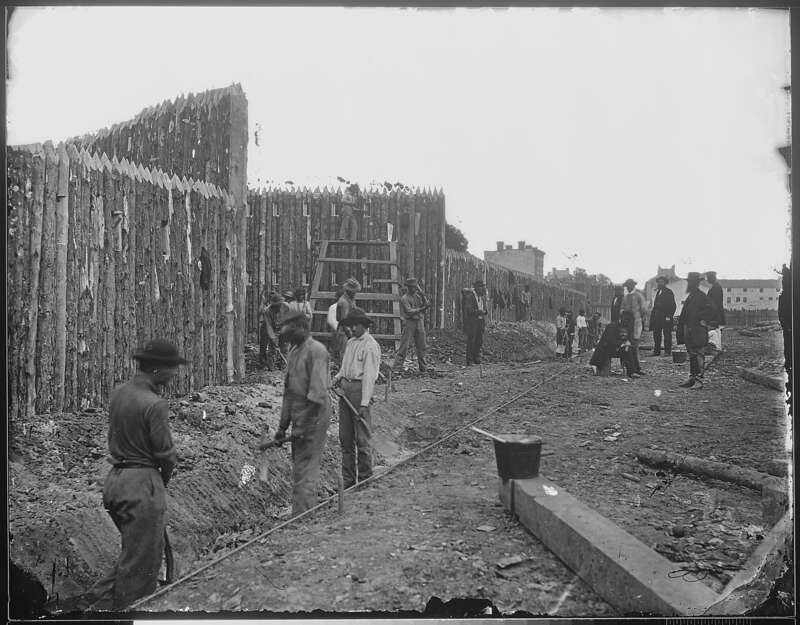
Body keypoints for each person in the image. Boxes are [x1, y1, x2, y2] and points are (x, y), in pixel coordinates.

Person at [82, 339, 186, 611]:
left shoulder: (119, 393)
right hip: (142, 486)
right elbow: (167, 456)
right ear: (158, 369)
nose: (175, 374)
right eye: (172, 368)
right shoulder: (155, 404)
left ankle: (92, 604)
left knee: (133, 556)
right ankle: (122, 614)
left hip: (115, 482)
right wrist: (160, 483)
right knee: (141, 570)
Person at [270, 310, 331, 515]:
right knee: (298, 465)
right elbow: (288, 393)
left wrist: (304, 425)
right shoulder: (294, 351)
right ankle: (300, 512)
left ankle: (304, 517)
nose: (288, 340)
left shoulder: (317, 351)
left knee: (307, 467)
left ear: (303, 328)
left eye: (291, 334)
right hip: (299, 412)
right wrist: (282, 427)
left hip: (314, 414)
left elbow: (317, 395)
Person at [332, 308, 381, 489]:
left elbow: (369, 376)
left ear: (364, 325)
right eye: (350, 325)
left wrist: (364, 402)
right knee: (346, 438)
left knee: (362, 439)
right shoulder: (351, 342)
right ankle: (348, 481)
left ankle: (366, 479)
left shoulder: (370, 345)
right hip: (345, 391)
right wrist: (337, 378)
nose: (352, 329)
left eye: (355, 325)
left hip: (360, 392)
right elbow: (346, 368)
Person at [676, 272, 717, 390]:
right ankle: (692, 379)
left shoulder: (701, 296)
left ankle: (699, 381)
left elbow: (713, 309)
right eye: (689, 282)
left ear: (697, 283)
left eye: (692, 282)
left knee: (699, 354)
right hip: (689, 330)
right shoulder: (691, 296)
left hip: (698, 330)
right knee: (692, 354)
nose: (690, 284)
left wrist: (702, 318)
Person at [393, 277, 429, 372]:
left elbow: (426, 304)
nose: (414, 289)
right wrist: (421, 309)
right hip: (409, 322)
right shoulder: (404, 298)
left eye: (415, 287)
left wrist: (422, 294)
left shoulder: (418, 296)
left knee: (422, 345)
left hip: (419, 322)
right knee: (404, 346)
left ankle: (423, 368)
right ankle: (397, 368)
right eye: (412, 287)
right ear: (408, 287)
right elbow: (409, 311)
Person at [621, 278, 646, 376]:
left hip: (636, 323)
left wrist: (641, 319)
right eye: (627, 286)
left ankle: (637, 368)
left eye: (630, 285)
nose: (629, 287)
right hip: (627, 324)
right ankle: (631, 368)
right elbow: (622, 309)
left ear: (634, 286)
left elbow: (644, 310)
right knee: (628, 345)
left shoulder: (639, 296)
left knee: (635, 345)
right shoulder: (626, 297)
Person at [334, 278, 360, 365]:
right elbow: (343, 320)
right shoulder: (344, 302)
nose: (355, 294)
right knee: (345, 355)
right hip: (344, 331)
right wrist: (350, 335)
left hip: (351, 328)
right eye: (354, 292)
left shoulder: (351, 300)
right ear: (349, 291)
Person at [462, 279, 488, 366]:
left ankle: (476, 358)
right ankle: (469, 360)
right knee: (471, 340)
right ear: (476, 288)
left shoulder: (482, 298)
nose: (482, 289)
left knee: (479, 340)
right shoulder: (470, 297)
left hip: (480, 321)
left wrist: (485, 311)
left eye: (483, 287)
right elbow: (469, 310)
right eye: (480, 287)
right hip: (473, 322)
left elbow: (484, 308)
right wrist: (479, 312)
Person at [650, 275, 676, 356]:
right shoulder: (658, 292)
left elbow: (673, 306)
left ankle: (667, 351)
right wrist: (653, 316)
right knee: (656, 334)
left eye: (662, 282)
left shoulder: (669, 292)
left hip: (665, 317)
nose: (660, 283)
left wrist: (668, 316)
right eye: (659, 282)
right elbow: (655, 306)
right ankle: (657, 351)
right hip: (657, 317)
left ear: (665, 283)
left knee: (667, 334)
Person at [263, 294, 289, 370]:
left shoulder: (287, 307)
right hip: (274, 329)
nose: (278, 307)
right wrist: (273, 338)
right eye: (276, 305)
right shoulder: (267, 311)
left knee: (284, 348)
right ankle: (271, 368)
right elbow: (269, 326)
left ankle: (283, 366)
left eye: (279, 305)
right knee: (272, 349)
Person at [705, 271, 725, 353]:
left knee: (715, 330)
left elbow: (715, 303)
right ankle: (718, 348)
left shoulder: (716, 288)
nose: (707, 280)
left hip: (715, 313)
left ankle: (717, 348)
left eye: (708, 278)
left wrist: (711, 314)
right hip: (716, 312)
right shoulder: (715, 287)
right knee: (717, 331)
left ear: (712, 277)